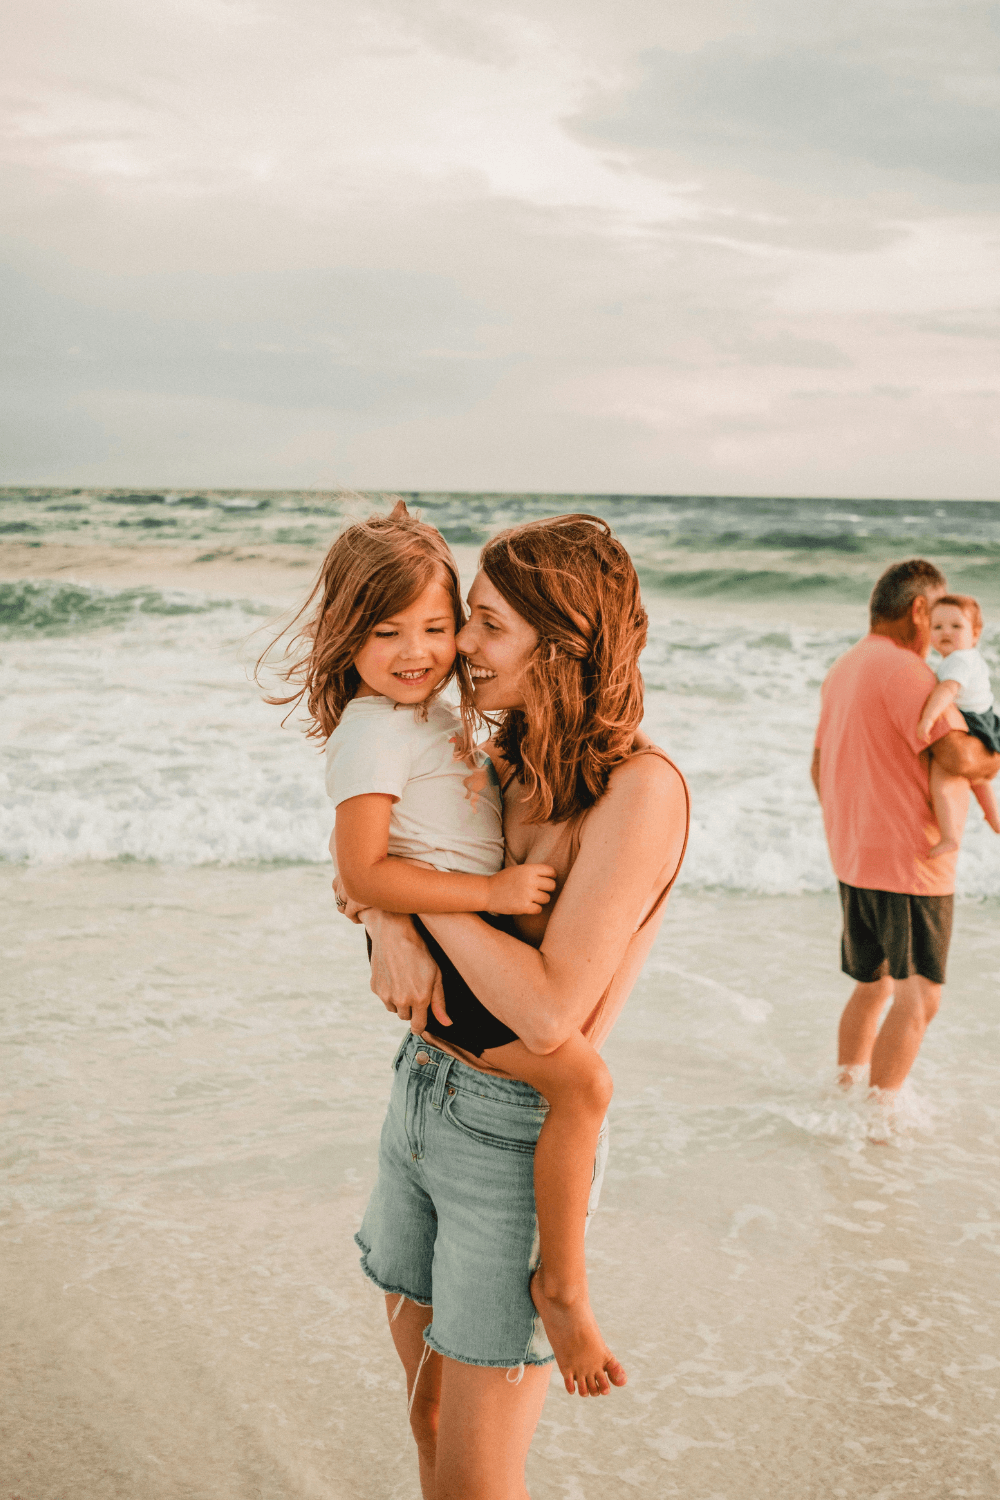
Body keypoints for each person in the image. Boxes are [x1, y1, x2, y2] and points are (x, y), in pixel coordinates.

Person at [338, 513, 689, 1500]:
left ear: (562, 639)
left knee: (474, 1485)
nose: (457, 650)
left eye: (484, 625)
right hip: (419, 1095)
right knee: (429, 1416)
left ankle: (563, 1289)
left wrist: (421, 899)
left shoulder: (639, 789)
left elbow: (546, 1011)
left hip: (511, 1141)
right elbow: (359, 880)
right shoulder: (504, 758)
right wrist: (390, 913)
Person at [811, 559, 1000, 1094]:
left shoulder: (843, 667)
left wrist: (853, 828)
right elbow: (962, 756)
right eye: (937, 615)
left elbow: (817, 767)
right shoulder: (907, 672)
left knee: (873, 987)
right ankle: (880, 1119)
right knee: (921, 995)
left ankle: (846, 1093)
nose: (941, 632)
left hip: (854, 858)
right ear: (919, 610)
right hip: (911, 865)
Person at [916, 593, 1000, 856]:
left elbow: (948, 690)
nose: (945, 632)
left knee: (941, 778)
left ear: (975, 633)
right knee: (979, 778)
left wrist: (928, 718)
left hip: (974, 723)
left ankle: (950, 836)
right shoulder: (964, 658)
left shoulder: (960, 659)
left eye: (956, 626)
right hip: (986, 722)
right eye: (937, 627)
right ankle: (994, 819)